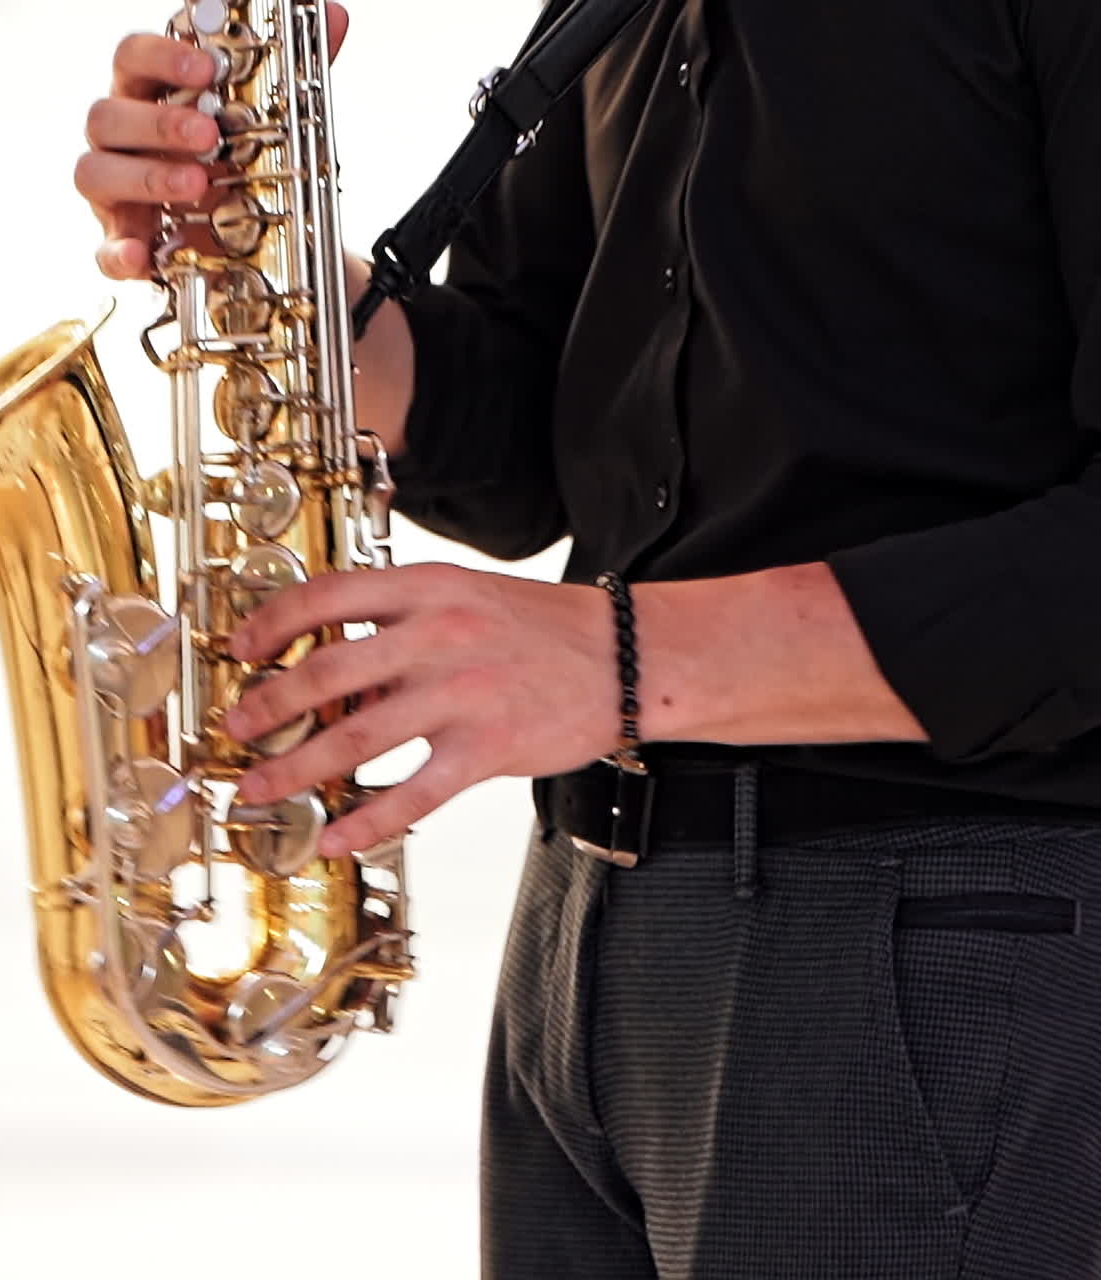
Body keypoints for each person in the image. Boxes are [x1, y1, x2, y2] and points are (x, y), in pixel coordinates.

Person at [74, 3, 1101, 1276]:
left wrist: (621, 657)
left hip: (927, 940)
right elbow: (539, 432)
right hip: (592, 930)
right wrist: (267, 269)